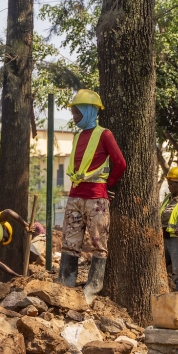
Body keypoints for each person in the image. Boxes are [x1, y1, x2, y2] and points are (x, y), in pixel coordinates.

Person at [58, 89, 127, 303]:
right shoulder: (78, 136)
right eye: (73, 112)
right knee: (69, 241)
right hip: (75, 196)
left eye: (77, 111)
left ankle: (94, 285)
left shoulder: (104, 134)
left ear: (89, 111)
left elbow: (120, 163)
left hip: (96, 198)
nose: (74, 115)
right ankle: (65, 283)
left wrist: (109, 184)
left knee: (99, 243)